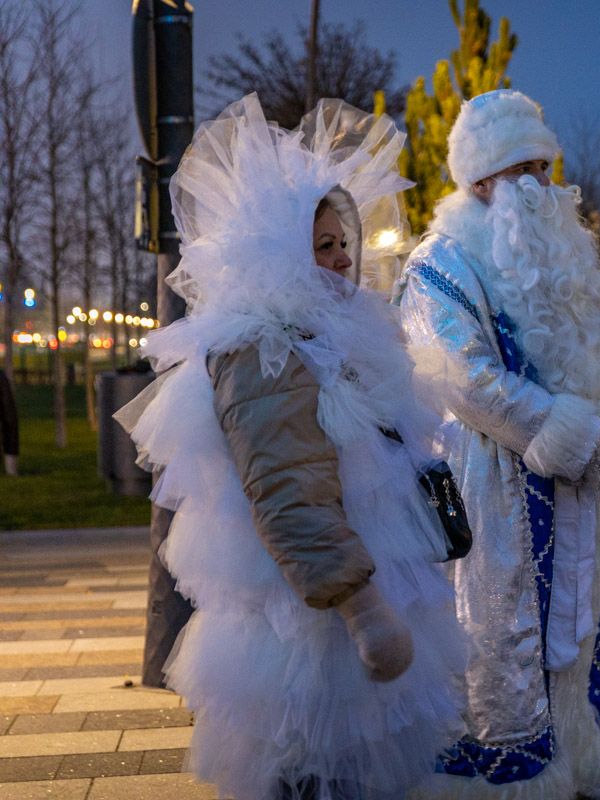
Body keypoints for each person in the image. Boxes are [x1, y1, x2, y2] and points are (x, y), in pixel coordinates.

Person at [116, 94, 466, 800]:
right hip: (312, 625)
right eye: (322, 247)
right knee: (312, 771)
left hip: (354, 601)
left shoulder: (338, 334)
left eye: (345, 244)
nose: (340, 262)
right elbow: (285, 488)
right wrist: (363, 610)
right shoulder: (264, 347)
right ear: (280, 254)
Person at [395, 89, 600, 800]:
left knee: (591, 622)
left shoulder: (563, 257)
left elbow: (599, 361)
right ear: (480, 180)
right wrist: (567, 434)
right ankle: (514, 773)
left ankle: (586, 757)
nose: (541, 186)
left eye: (545, 167)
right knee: (502, 637)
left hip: (580, 487)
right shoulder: (438, 264)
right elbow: (463, 379)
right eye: (523, 170)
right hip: (496, 486)